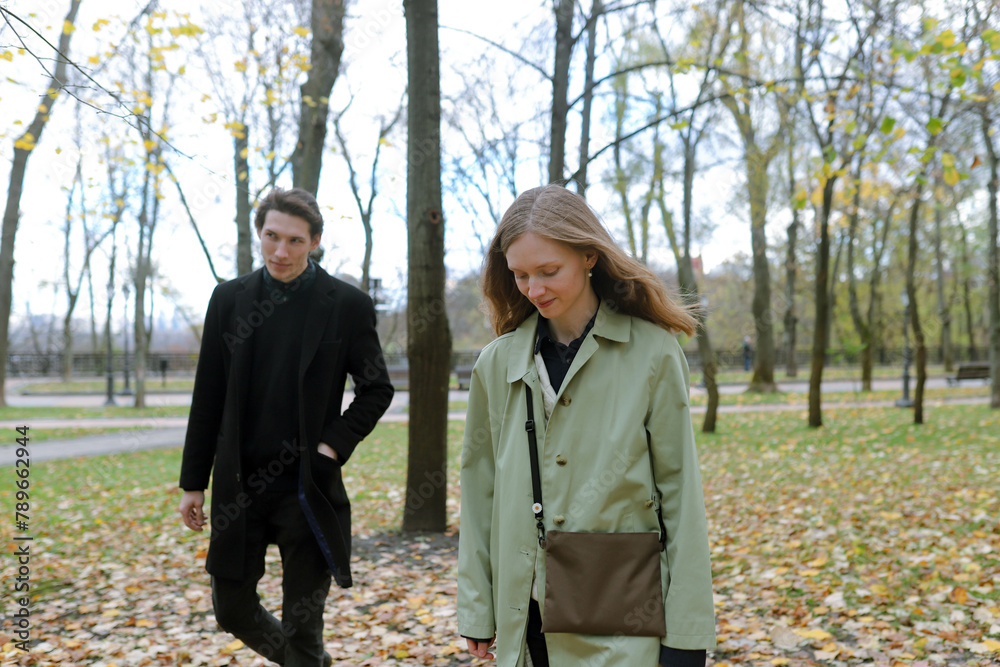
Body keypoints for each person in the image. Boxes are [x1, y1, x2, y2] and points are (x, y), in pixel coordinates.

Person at [457, 185, 716, 666]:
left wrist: (688, 632)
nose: (534, 289)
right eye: (520, 275)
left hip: (626, 616)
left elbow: (681, 494)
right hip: (526, 614)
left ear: (590, 256)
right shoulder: (496, 364)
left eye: (549, 271)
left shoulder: (654, 353)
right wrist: (477, 606)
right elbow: (479, 490)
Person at [178, 187, 394, 667]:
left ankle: (307, 659)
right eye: (272, 237)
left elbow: (377, 389)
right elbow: (207, 395)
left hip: (306, 489)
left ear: (315, 241)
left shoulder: (347, 305)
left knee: (303, 625)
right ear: (260, 233)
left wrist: (331, 447)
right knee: (231, 608)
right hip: (239, 489)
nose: (281, 251)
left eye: (295, 241)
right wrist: (193, 482)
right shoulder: (228, 300)